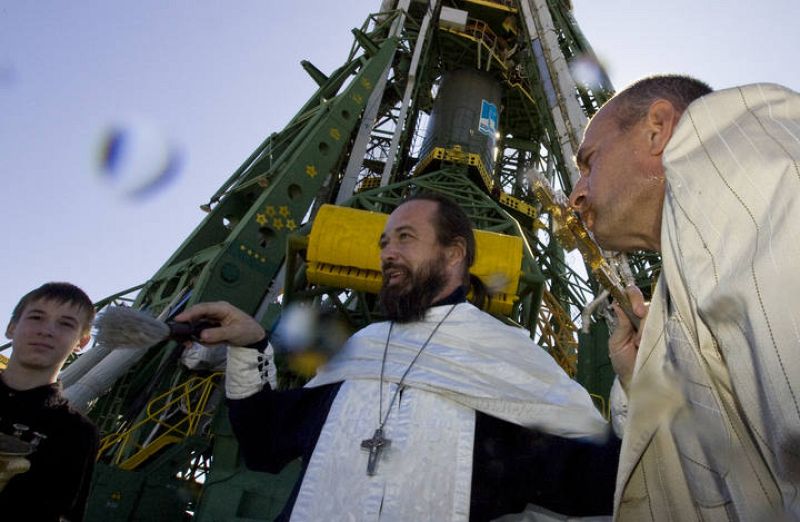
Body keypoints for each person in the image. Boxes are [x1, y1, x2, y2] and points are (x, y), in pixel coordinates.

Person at [176, 193, 621, 521]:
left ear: (454, 253)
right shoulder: (363, 348)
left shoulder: (506, 357)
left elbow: (597, 481)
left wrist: (635, 384)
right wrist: (251, 345)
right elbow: (264, 441)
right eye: (384, 242)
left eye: (405, 238)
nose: (387, 253)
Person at [569, 75, 800, 520]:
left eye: (589, 162)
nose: (576, 195)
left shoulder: (741, 172)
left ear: (656, 130)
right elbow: (729, 478)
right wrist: (644, 379)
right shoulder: (701, 239)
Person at [1, 282, 100, 521]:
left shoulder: (78, 434)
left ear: (81, 342)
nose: (46, 331)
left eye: (66, 324)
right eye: (36, 317)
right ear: (12, 328)